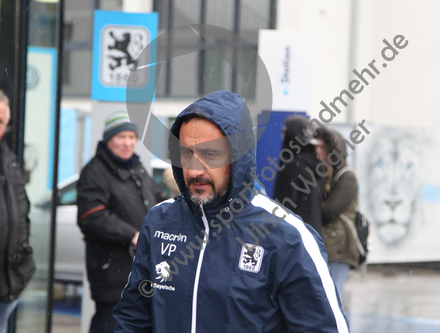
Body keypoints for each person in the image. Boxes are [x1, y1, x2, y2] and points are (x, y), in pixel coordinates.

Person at [113, 91, 349, 332]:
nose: (195, 170)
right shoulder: (159, 221)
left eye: (210, 155)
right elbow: (133, 318)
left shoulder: (286, 237)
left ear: (238, 156)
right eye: (187, 153)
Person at [76, 111, 163, 333]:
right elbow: (91, 216)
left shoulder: (136, 167)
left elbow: (157, 200)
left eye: (131, 137)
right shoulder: (95, 171)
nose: (127, 143)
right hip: (111, 272)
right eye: (121, 137)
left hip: (139, 269)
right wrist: (132, 235)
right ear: (108, 140)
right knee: (111, 323)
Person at [0, 90, 35, 333]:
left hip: (7, 283)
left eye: (1, 121)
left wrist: (22, 264)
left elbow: (22, 215)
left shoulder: (9, 161)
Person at [315, 128, 360, 300]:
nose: (318, 152)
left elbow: (329, 211)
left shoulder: (347, 177)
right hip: (329, 245)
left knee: (333, 298)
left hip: (340, 247)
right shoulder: (327, 174)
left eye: (322, 147)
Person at [272, 115, 325, 236]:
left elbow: (283, 208)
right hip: (313, 236)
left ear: (293, 135)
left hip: (294, 238)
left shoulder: (292, 167)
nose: (282, 136)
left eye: (285, 132)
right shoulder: (315, 165)